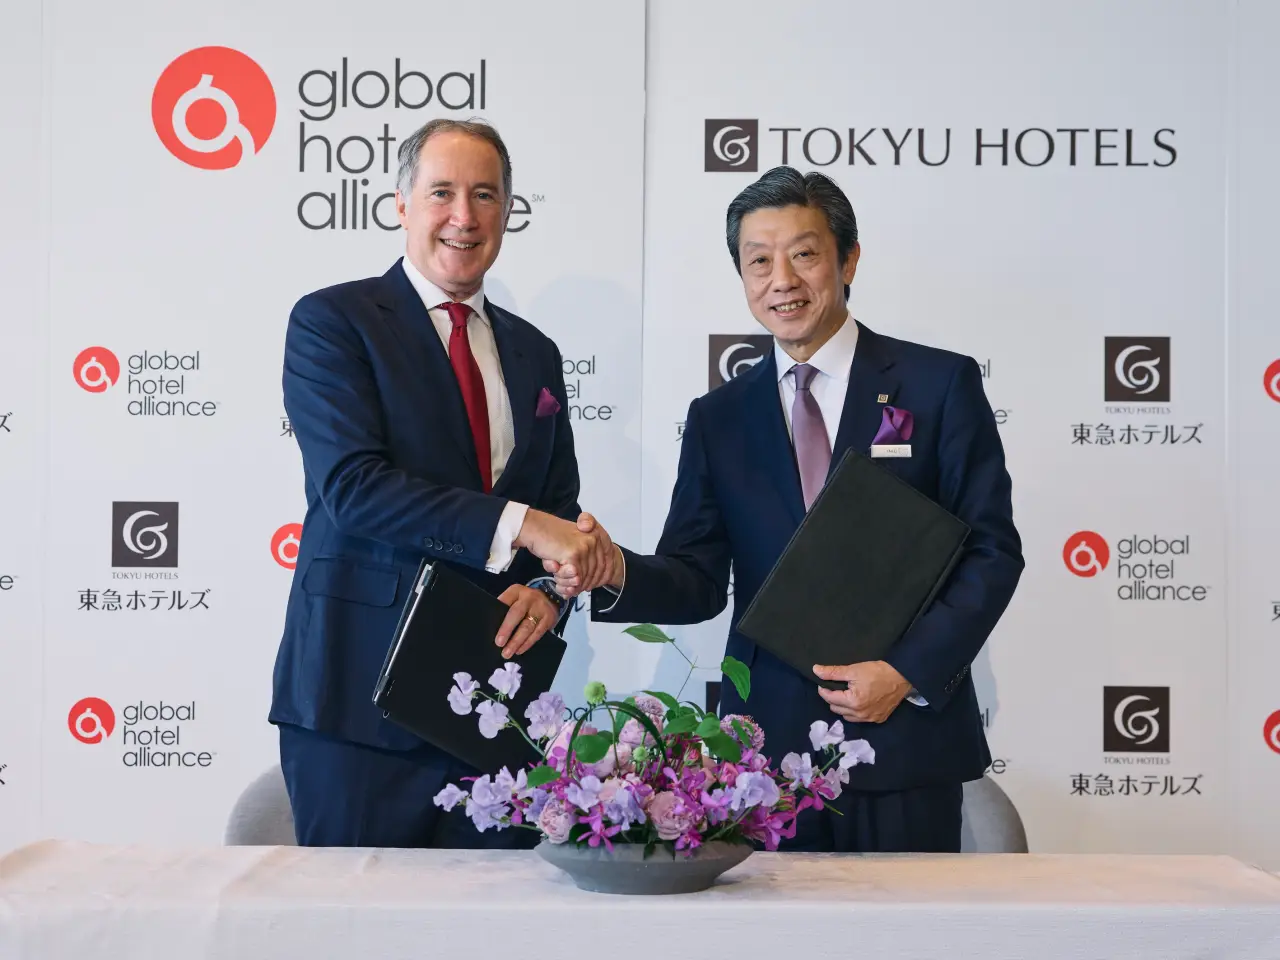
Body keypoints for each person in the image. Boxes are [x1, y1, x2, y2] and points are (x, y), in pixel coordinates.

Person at [559, 166, 1023, 853]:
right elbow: (696, 577)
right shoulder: (719, 417)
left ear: (848, 259)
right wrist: (614, 570)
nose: (782, 280)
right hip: (763, 760)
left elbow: (990, 550)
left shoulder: (937, 384)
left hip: (904, 741)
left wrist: (906, 673)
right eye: (759, 261)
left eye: (804, 254)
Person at [270, 118, 616, 848]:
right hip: (357, 706)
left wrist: (547, 590)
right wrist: (525, 526)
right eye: (442, 192)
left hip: (496, 709)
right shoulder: (333, 321)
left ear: (508, 212)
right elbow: (354, 489)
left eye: (485, 195)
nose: (464, 215)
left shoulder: (535, 352)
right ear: (401, 203)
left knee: (500, 915)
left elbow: (557, 505)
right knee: (351, 913)